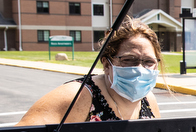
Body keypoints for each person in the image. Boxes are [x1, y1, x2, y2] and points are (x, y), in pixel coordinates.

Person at [16, 17, 163, 125]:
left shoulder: (148, 101)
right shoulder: (77, 96)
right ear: (106, 64)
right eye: (128, 60)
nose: (139, 69)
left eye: (149, 62)